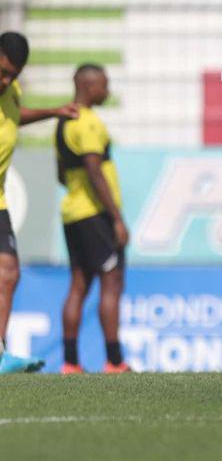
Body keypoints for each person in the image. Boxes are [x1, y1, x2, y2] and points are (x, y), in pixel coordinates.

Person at [0, 31, 79, 374]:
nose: (6, 80)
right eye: (2, 71)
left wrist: (52, 111)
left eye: (13, 75)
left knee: (8, 272)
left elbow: (15, 115)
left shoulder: (9, 93)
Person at [56, 64, 131, 374]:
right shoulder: (88, 123)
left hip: (72, 211)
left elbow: (60, 173)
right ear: (87, 86)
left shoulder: (63, 122)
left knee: (78, 283)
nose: (107, 91)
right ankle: (114, 361)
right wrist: (116, 218)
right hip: (95, 214)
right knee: (111, 282)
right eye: (103, 85)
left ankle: (71, 362)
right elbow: (93, 168)